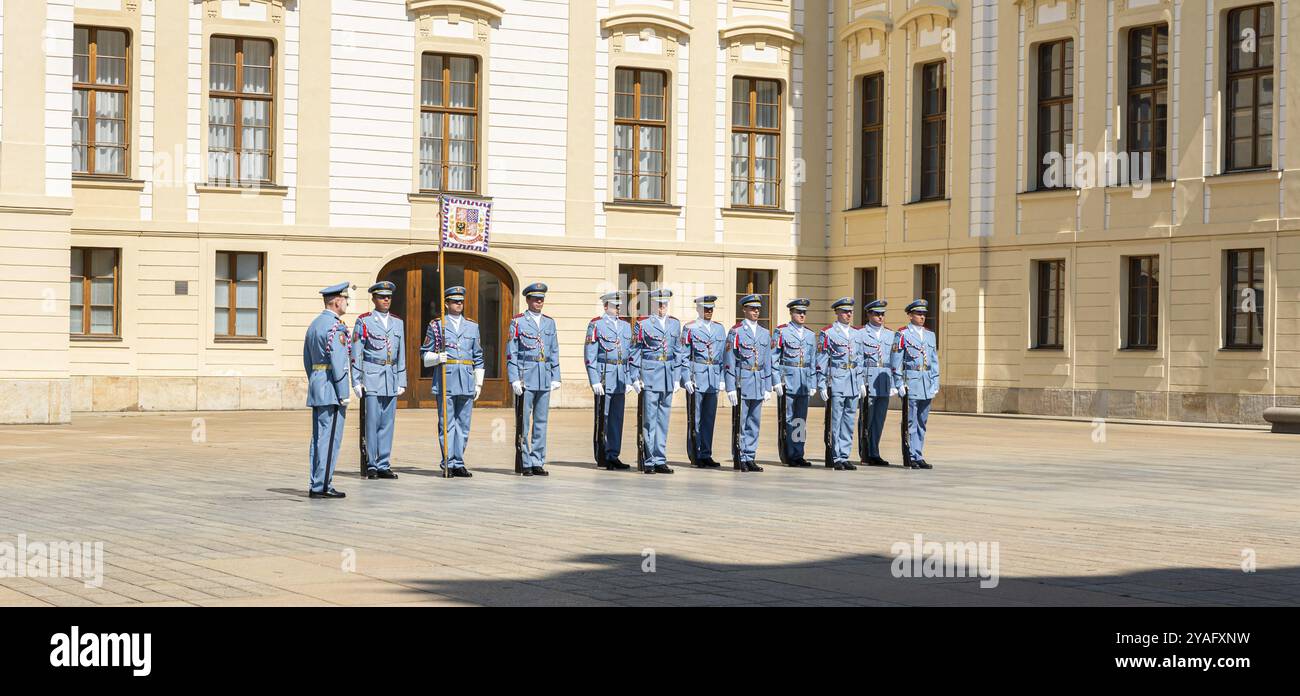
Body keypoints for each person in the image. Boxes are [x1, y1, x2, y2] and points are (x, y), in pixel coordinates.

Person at [422, 285, 484, 478]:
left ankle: (459, 461)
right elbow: (424, 353)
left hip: (465, 378)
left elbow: (478, 356)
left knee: (463, 425)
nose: (459, 304)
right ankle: (447, 461)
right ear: (446, 304)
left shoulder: (472, 326)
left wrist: (478, 382)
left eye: (461, 301)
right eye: (454, 301)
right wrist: (436, 358)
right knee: (447, 424)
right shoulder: (437, 325)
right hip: (446, 378)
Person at [303, 281, 353, 499]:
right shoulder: (336, 326)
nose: (347, 303)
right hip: (332, 388)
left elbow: (307, 359)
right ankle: (322, 485)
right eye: (345, 299)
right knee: (330, 438)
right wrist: (344, 392)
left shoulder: (314, 324)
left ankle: (316, 481)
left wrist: (315, 379)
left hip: (318, 383)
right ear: (337, 301)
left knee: (319, 437)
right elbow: (339, 361)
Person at [351, 281, 405, 480]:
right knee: (372, 422)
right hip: (372, 376)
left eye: (389, 297)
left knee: (388, 423)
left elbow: (402, 354)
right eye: (382, 297)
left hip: (391, 377)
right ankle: (371, 464)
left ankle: (384, 463)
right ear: (373, 299)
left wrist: (402, 379)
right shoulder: (364, 321)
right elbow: (356, 352)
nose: (386, 300)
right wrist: (356, 380)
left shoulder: (397, 322)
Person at [507, 283, 561, 476]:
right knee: (524, 422)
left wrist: (556, 376)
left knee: (541, 421)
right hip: (525, 375)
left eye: (542, 299)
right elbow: (512, 353)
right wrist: (514, 378)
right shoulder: (518, 322)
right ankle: (524, 461)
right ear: (528, 300)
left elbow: (554, 350)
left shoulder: (549, 322)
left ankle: (538, 460)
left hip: (544, 375)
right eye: (535, 298)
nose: (539, 301)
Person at [631, 289, 682, 474]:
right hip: (650, 374)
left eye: (665, 304)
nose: (662, 307)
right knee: (649, 420)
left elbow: (678, 352)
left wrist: (677, 377)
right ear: (653, 304)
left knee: (663, 420)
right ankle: (649, 459)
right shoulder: (643, 324)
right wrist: (634, 376)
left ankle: (660, 458)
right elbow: (635, 351)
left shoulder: (674, 324)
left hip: (668, 375)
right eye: (659, 304)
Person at [724, 294, 774, 472]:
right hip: (742, 380)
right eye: (752, 308)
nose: (756, 311)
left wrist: (768, 386)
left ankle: (750, 455)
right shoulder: (735, 331)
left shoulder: (764, 333)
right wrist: (730, 387)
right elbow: (729, 360)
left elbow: (768, 361)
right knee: (741, 421)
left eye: (758, 309)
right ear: (744, 309)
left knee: (754, 421)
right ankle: (740, 455)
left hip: (758, 380)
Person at [585, 291, 634, 470]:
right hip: (604, 375)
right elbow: (590, 354)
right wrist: (594, 380)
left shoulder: (626, 326)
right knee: (602, 417)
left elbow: (629, 356)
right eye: (614, 306)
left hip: (620, 376)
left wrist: (629, 379)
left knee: (617, 418)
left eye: (619, 305)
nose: (618, 308)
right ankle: (602, 455)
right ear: (606, 306)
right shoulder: (596, 325)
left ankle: (614, 454)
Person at [817, 297, 866, 471]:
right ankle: (835, 455)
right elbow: (822, 360)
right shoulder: (828, 333)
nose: (848, 314)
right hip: (837, 380)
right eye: (845, 311)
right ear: (837, 312)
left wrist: (861, 382)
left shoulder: (856, 333)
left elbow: (860, 359)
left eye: (850, 311)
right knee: (835, 420)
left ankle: (845, 455)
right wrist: (821, 384)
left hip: (852, 380)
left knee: (849, 420)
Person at [891, 299, 940, 469]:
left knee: (922, 420)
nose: (922, 317)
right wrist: (898, 383)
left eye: (924, 314)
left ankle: (918, 454)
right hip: (911, 381)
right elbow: (896, 361)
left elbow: (934, 360)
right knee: (910, 420)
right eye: (918, 314)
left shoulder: (929, 334)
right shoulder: (902, 334)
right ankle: (909, 453)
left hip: (926, 381)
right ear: (910, 315)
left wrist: (935, 381)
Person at [681, 295, 725, 468]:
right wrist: (686, 378)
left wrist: (722, 379)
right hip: (696, 377)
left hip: (713, 378)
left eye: (711, 309)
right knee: (695, 417)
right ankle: (695, 454)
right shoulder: (690, 328)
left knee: (709, 418)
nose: (709, 311)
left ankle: (706, 453)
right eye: (705, 308)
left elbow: (722, 357)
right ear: (698, 309)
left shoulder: (719, 329)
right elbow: (684, 356)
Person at [772, 298, 816, 467]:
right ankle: (787, 454)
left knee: (800, 421)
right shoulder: (781, 332)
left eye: (804, 312)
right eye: (799, 312)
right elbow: (774, 358)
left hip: (803, 382)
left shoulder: (810, 334)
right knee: (787, 419)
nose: (802, 315)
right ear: (791, 313)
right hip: (788, 381)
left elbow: (812, 361)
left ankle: (798, 453)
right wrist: (776, 381)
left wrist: (812, 383)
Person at [858, 299, 894, 466]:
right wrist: (859, 381)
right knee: (867, 418)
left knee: (879, 419)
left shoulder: (890, 334)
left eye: (882, 314)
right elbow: (858, 359)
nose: (880, 317)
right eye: (877, 314)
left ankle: (875, 451)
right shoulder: (861, 334)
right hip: (869, 379)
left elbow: (894, 361)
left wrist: (894, 383)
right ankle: (865, 452)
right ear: (869, 314)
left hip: (884, 380)